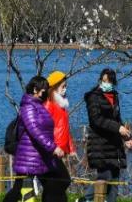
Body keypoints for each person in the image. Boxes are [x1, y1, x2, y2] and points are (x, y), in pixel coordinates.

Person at [14, 75, 65, 202]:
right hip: (29, 156)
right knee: (27, 192)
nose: (45, 94)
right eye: (43, 91)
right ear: (35, 90)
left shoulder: (39, 106)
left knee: (55, 186)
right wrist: (53, 147)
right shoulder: (28, 107)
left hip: (41, 155)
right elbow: (35, 130)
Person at [84, 68, 132, 202]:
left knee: (114, 181)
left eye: (110, 81)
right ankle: (85, 199)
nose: (107, 84)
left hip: (114, 145)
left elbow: (118, 119)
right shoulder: (93, 97)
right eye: (104, 81)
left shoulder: (114, 96)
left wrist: (126, 136)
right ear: (100, 80)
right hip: (99, 144)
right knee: (105, 176)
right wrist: (118, 128)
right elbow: (96, 119)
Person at [42, 71, 76, 202]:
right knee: (62, 181)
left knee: (54, 184)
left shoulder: (61, 105)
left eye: (66, 86)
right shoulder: (48, 105)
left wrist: (71, 148)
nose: (65, 89)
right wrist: (53, 147)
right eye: (63, 86)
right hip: (51, 150)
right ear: (54, 87)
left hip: (59, 149)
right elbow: (44, 130)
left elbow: (65, 129)